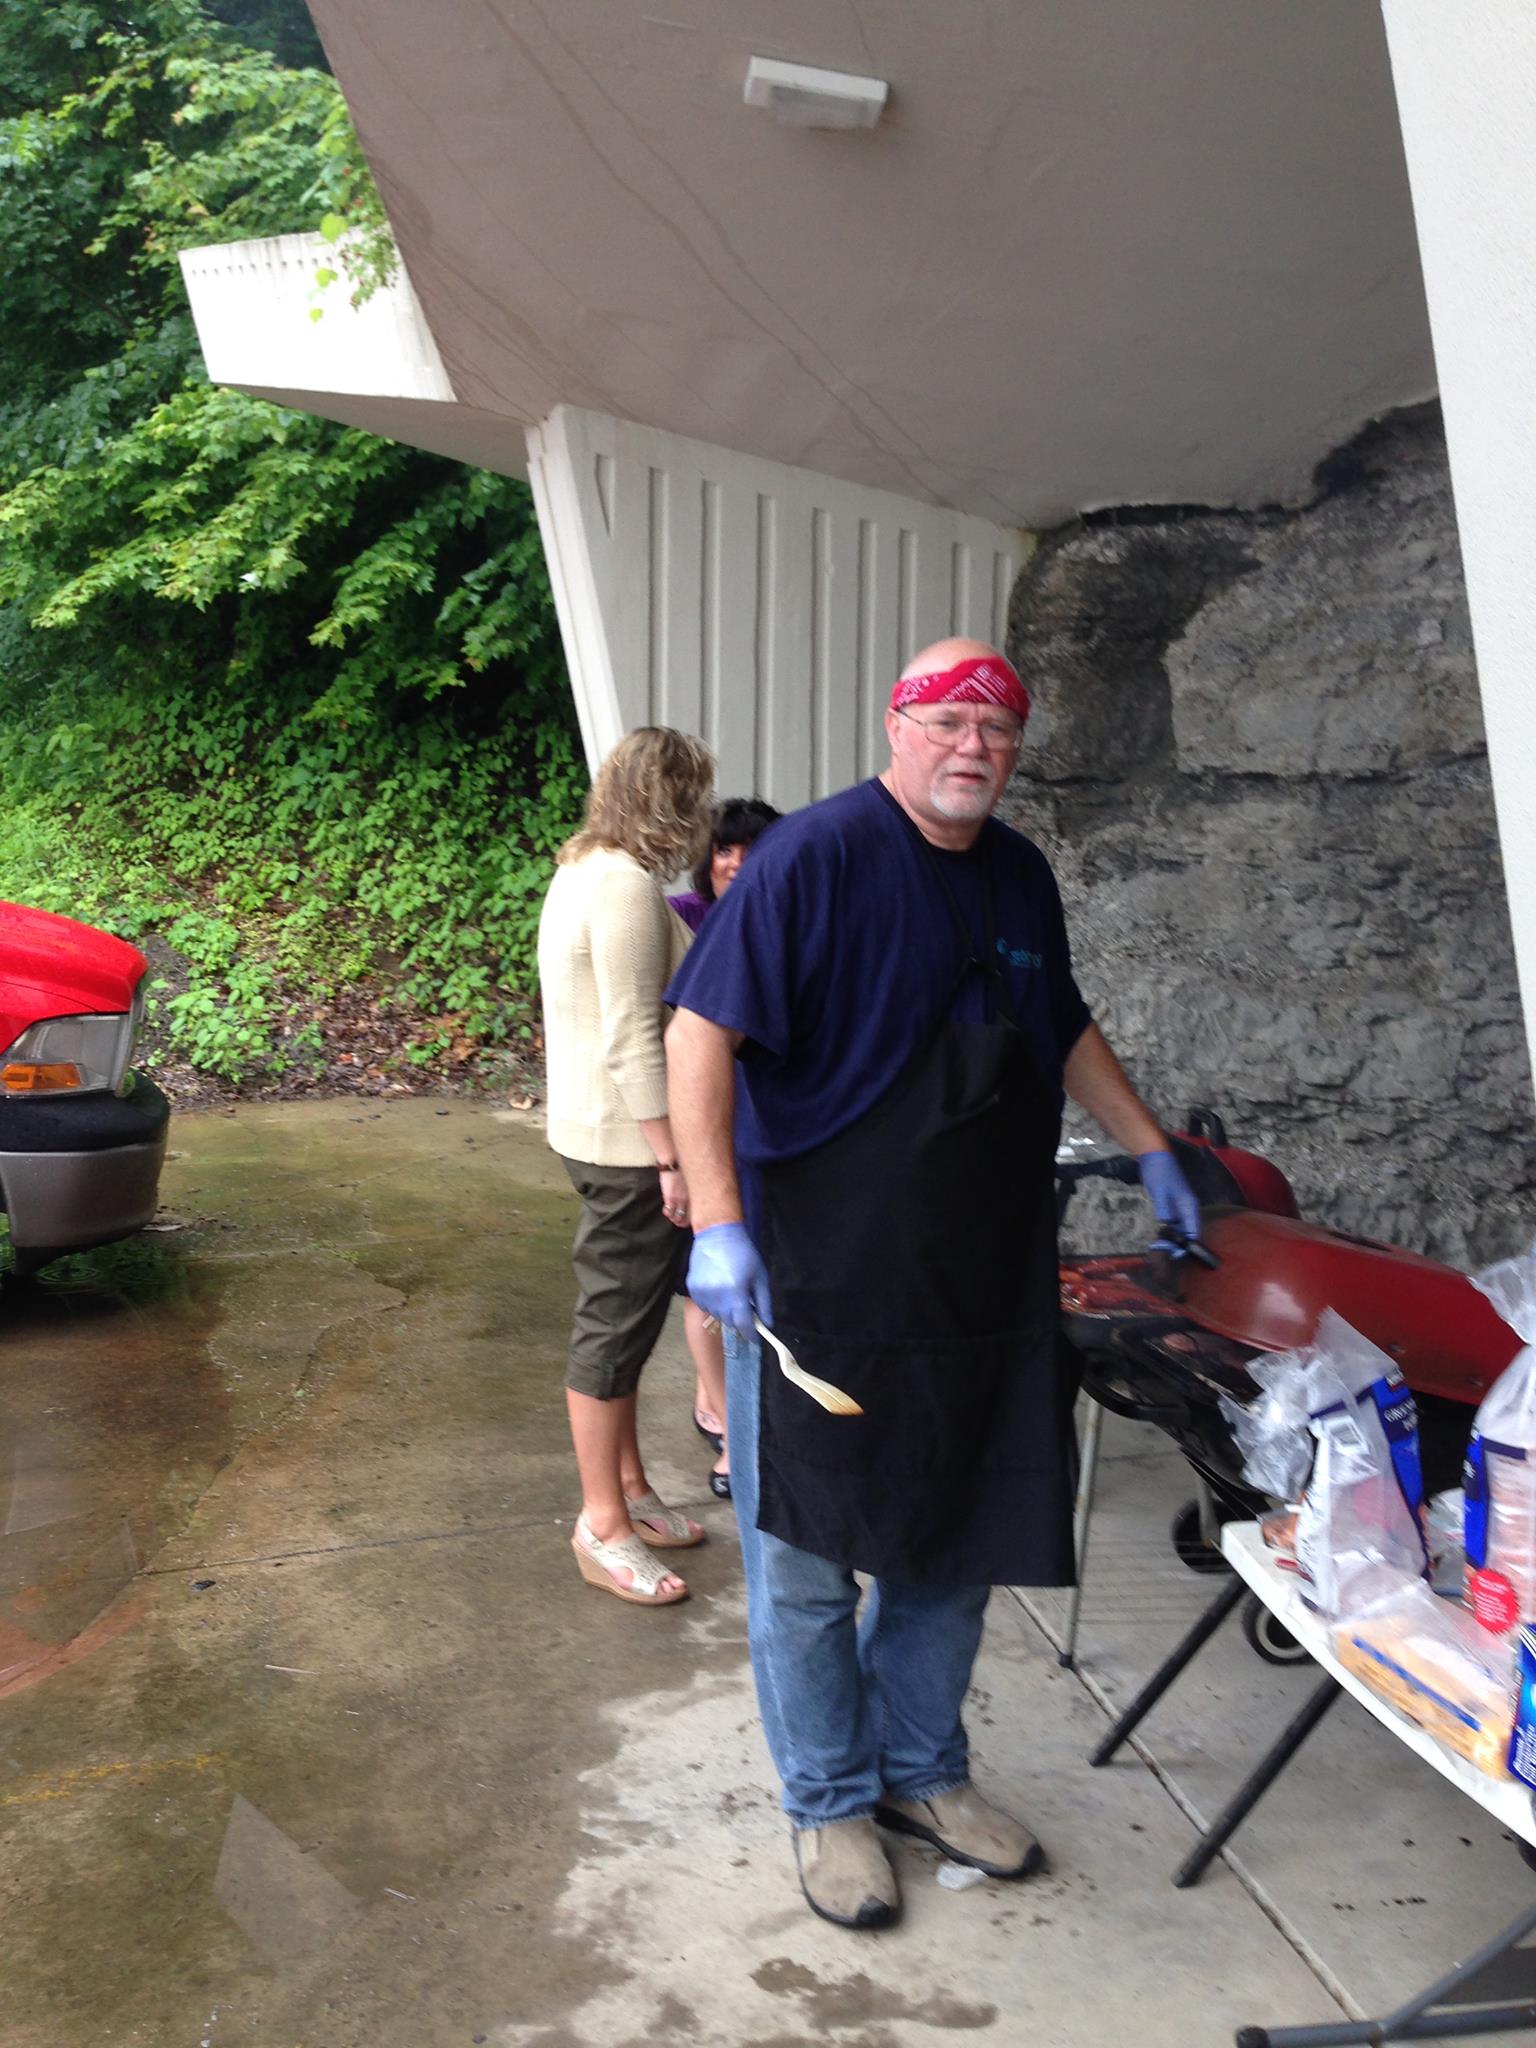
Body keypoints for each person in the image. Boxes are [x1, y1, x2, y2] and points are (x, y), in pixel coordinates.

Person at [663, 638, 1201, 1924]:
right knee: (806, 1558)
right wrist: (719, 1221)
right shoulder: (812, 857)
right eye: (949, 719)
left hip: (979, 1277)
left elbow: (1059, 1022)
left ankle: (921, 1770)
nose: (975, 745)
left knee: (957, 1537)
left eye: (998, 728)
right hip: (820, 1276)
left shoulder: (1018, 873)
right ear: (897, 726)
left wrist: (1152, 1144)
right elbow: (699, 1031)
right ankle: (830, 1798)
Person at [538, 725, 717, 1607]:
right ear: (671, 799)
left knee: (633, 1324)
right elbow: (633, 1035)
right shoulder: (621, 886)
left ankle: (632, 1491)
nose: (701, 817)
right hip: (627, 1146)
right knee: (611, 1332)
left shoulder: (581, 867)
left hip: (598, 1133)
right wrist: (671, 1156)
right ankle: (602, 1528)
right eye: (695, 798)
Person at [667, 797, 783, 1500]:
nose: (736, 864)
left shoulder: (791, 921)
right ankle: (724, 1424)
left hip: (765, 1127)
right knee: (705, 1284)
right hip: (704, 1130)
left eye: (752, 850)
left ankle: (727, 1410)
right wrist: (672, 1159)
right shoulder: (684, 920)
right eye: (724, 850)